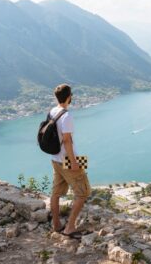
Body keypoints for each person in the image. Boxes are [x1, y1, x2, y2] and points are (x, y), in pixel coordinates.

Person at [49, 84, 91, 239]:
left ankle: (56, 225)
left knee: (56, 193)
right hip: (68, 159)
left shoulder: (52, 111)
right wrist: (74, 162)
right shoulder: (67, 116)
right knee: (83, 192)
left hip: (55, 159)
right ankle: (70, 227)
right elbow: (67, 141)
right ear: (69, 97)